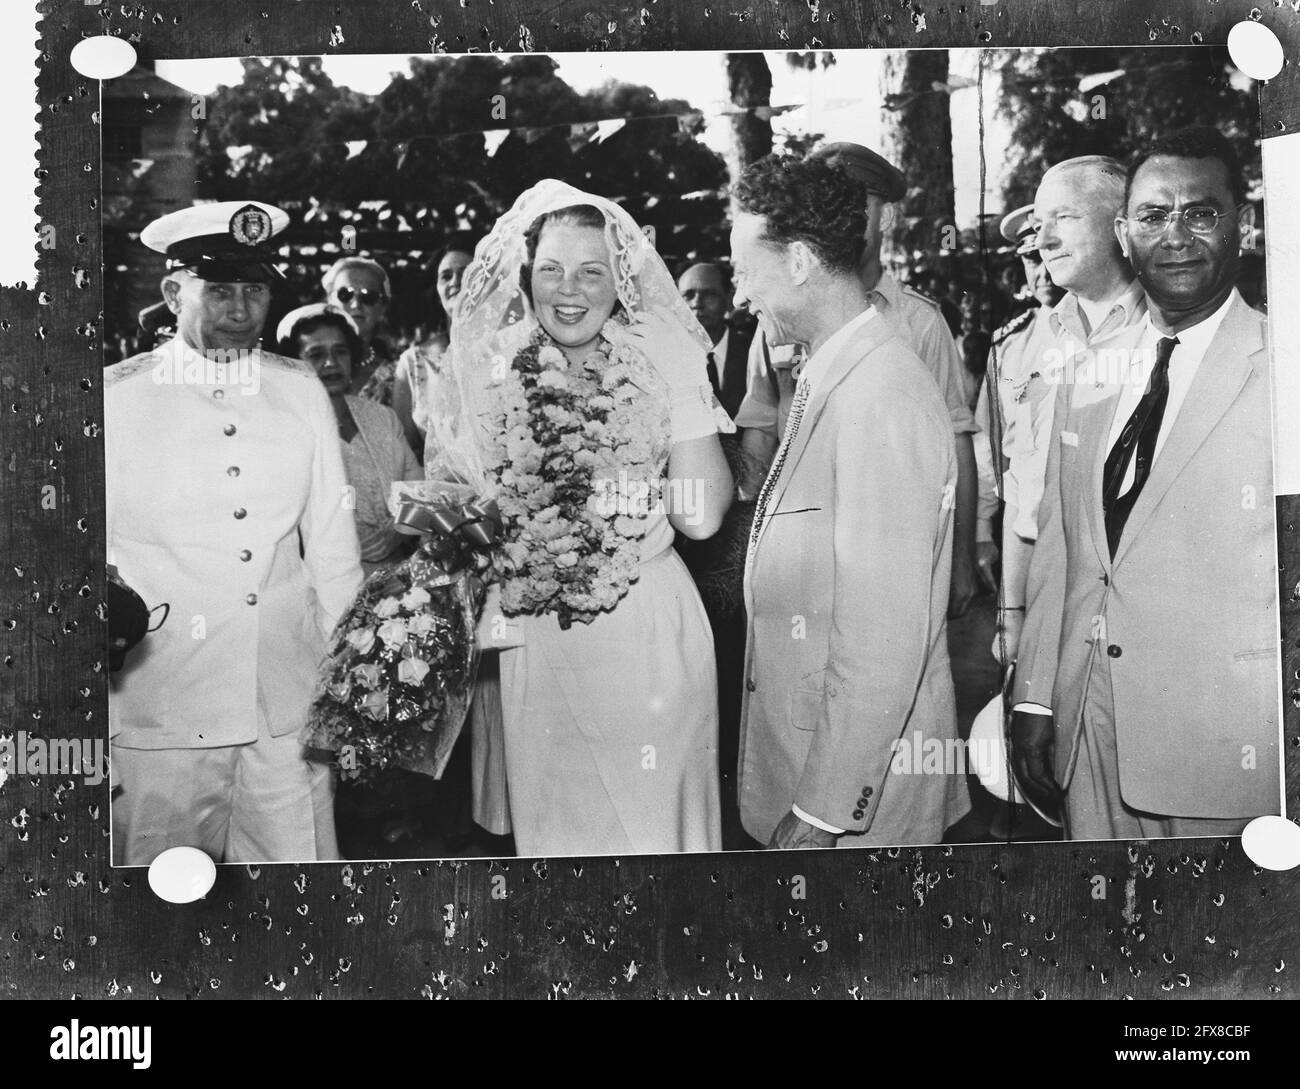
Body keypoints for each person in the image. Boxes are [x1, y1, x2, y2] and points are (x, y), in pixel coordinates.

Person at [425, 180, 734, 856]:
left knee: (658, 845)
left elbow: (705, 516)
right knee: (562, 856)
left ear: (620, 276)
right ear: (525, 272)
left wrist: (684, 377)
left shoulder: (660, 358)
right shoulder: (489, 367)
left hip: (646, 629)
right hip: (539, 636)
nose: (571, 290)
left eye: (592, 270)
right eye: (552, 269)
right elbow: (460, 509)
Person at [1009, 127, 1280, 839]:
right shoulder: (1087, 373)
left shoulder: (1282, 367)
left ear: (1243, 224)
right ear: (1125, 236)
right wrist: (1036, 698)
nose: (1178, 235)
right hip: (1087, 729)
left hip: (1222, 747)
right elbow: (1064, 545)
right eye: (1155, 216)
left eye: (1202, 212)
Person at [105, 201, 363, 865]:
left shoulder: (299, 386)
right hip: (164, 704)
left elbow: (333, 550)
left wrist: (348, 684)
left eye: (255, 290)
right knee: (155, 912)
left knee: (301, 902)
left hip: (286, 705)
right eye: (219, 290)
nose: (241, 309)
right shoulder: (112, 397)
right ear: (172, 294)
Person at [730, 153, 970, 849]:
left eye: (747, 268)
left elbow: (881, 640)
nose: (742, 293)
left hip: (851, 807)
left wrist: (821, 813)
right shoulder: (831, 371)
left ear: (801, 260)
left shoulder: (879, 397)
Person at [735, 142, 983, 619]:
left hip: (890, 545)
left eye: (854, 202)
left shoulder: (918, 322)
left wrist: (963, 558)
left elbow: (956, 444)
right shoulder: (777, 318)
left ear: (886, 218)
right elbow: (761, 429)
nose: (838, 214)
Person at [991, 160, 1148, 667]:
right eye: (1039, 225)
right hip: (1045, 597)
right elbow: (1022, 490)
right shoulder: (1041, 340)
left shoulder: (1170, 328)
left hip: (1137, 611)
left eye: (1065, 218)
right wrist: (1011, 613)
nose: (1043, 241)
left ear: (1120, 227)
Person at [276, 303, 421, 577]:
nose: (331, 363)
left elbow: (418, 490)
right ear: (295, 365)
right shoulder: (283, 430)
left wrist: (397, 531)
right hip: (323, 583)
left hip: (401, 579)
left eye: (340, 351)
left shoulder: (382, 417)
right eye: (316, 354)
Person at [393, 233, 482, 455]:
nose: (455, 282)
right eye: (446, 276)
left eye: (466, 272)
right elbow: (404, 449)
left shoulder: (507, 352)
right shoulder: (413, 363)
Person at [676, 262, 754, 420]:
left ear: (729, 298)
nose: (697, 303)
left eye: (709, 294)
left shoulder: (753, 351)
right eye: (688, 295)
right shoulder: (668, 357)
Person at [322, 256, 398, 405]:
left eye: (368, 296)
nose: (356, 304)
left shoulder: (397, 376)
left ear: (382, 308)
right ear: (330, 301)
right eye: (345, 294)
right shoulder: (308, 365)